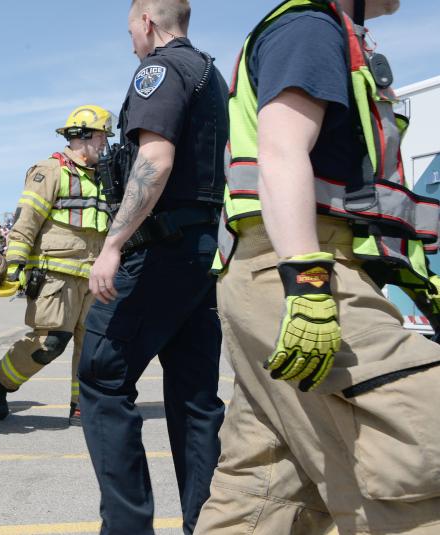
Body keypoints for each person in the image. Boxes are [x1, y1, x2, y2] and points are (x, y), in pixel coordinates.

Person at [196, 0, 440, 533]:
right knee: (422, 436)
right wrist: (307, 287)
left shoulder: (327, 35)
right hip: (300, 270)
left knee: (265, 493)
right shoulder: (309, 28)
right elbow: (281, 151)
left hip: (281, 271)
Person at [75, 2, 228, 533]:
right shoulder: (211, 75)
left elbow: (155, 160)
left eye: (130, 33)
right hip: (198, 257)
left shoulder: (159, 71)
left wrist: (113, 244)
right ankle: (208, 523)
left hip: (157, 253)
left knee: (101, 379)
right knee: (195, 399)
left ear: (146, 23)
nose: (131, 45)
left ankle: (127, 526)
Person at [0, 104, 113, 425]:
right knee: (49, 344)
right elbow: (27, 220)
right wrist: (15, 264)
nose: (105, 145)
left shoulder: (104, 178)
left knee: (93, 348)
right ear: (81, 136)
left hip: (94, 278)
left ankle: (82, 406)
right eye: (101, 138)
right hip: (55, 276)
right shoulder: (50, 171)